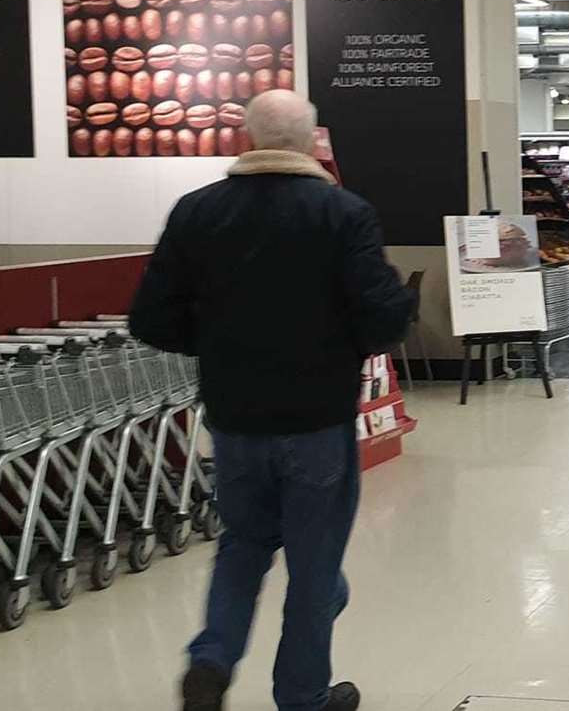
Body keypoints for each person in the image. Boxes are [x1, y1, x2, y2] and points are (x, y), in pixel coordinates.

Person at [129, 89, 413, 711]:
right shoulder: (343, 213)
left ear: (246, 139)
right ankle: (303, 697)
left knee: (243, 545)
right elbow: (384, 317)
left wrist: (216, 343)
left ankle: (212, 659)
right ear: (311, 143)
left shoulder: (196, 212)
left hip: (235, 419)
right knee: (315, 572)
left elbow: (150, 319)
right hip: (317, 420)